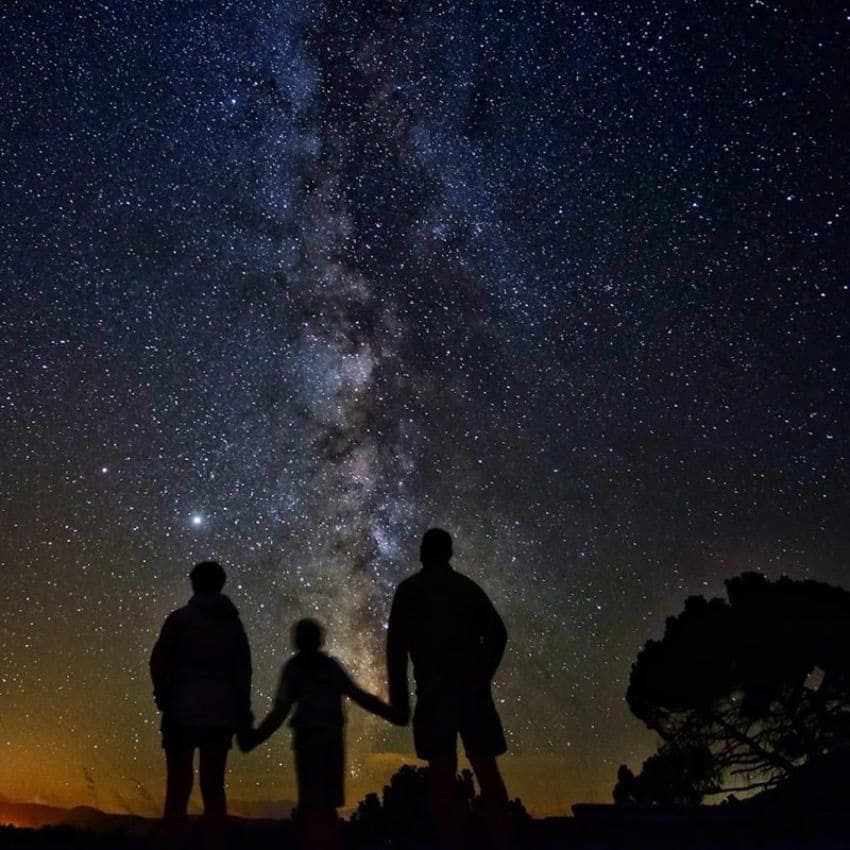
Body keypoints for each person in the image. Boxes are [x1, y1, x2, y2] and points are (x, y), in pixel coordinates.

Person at [387, 528, 511, 850]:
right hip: (473, 693)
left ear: (423, 552)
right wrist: (482, 673)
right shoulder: (468, 589)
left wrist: (399, 701)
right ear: (450, 553)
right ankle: (503, 839)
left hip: (434, 693)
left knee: (441, 778)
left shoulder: (409, 591)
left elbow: (396, 650)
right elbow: (498, 633)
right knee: (487, 770)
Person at [241, 618, 397, 850]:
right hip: (332, 740)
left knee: (313, 807)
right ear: (319, 639)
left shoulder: (293, 669)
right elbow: (358, 695)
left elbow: (280, 711)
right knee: (327, 807)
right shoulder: (330, 667)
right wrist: (390, 713)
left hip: (308, 741)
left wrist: (254, 738)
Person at [149, 560, 252, 838]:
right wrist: (243, 713)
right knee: (214, 787)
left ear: (194, 582)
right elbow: (243, 672)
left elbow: (158, 662)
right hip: (220, 716)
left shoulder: (179, 619)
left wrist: (164, 696)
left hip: (180, 712)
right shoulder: (233, 627)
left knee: (178, 788)